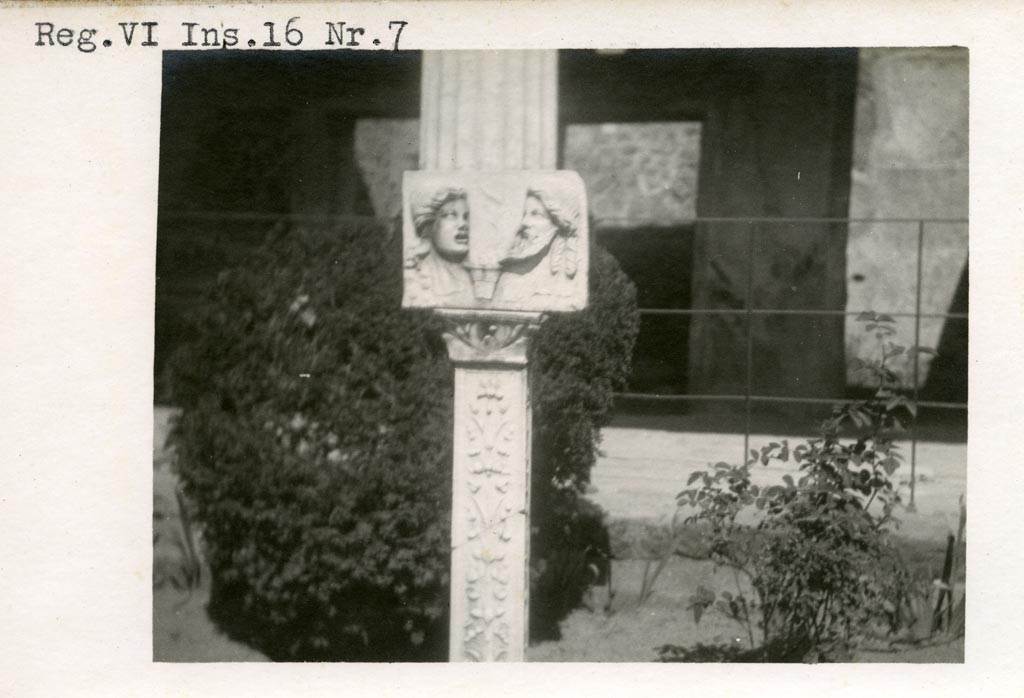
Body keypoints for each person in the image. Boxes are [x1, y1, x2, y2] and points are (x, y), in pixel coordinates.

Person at [495, 186, 580, 305]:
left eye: (536, 214)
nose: (524, 222)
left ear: (559, 224)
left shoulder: (567, 290)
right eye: (525, 214)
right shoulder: (508, 277)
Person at [404, 187, 474, 306]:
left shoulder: (469, 279)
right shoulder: (413, 280)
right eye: (451, 215)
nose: (463, 224)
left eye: (465, 217)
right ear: (428, 225)